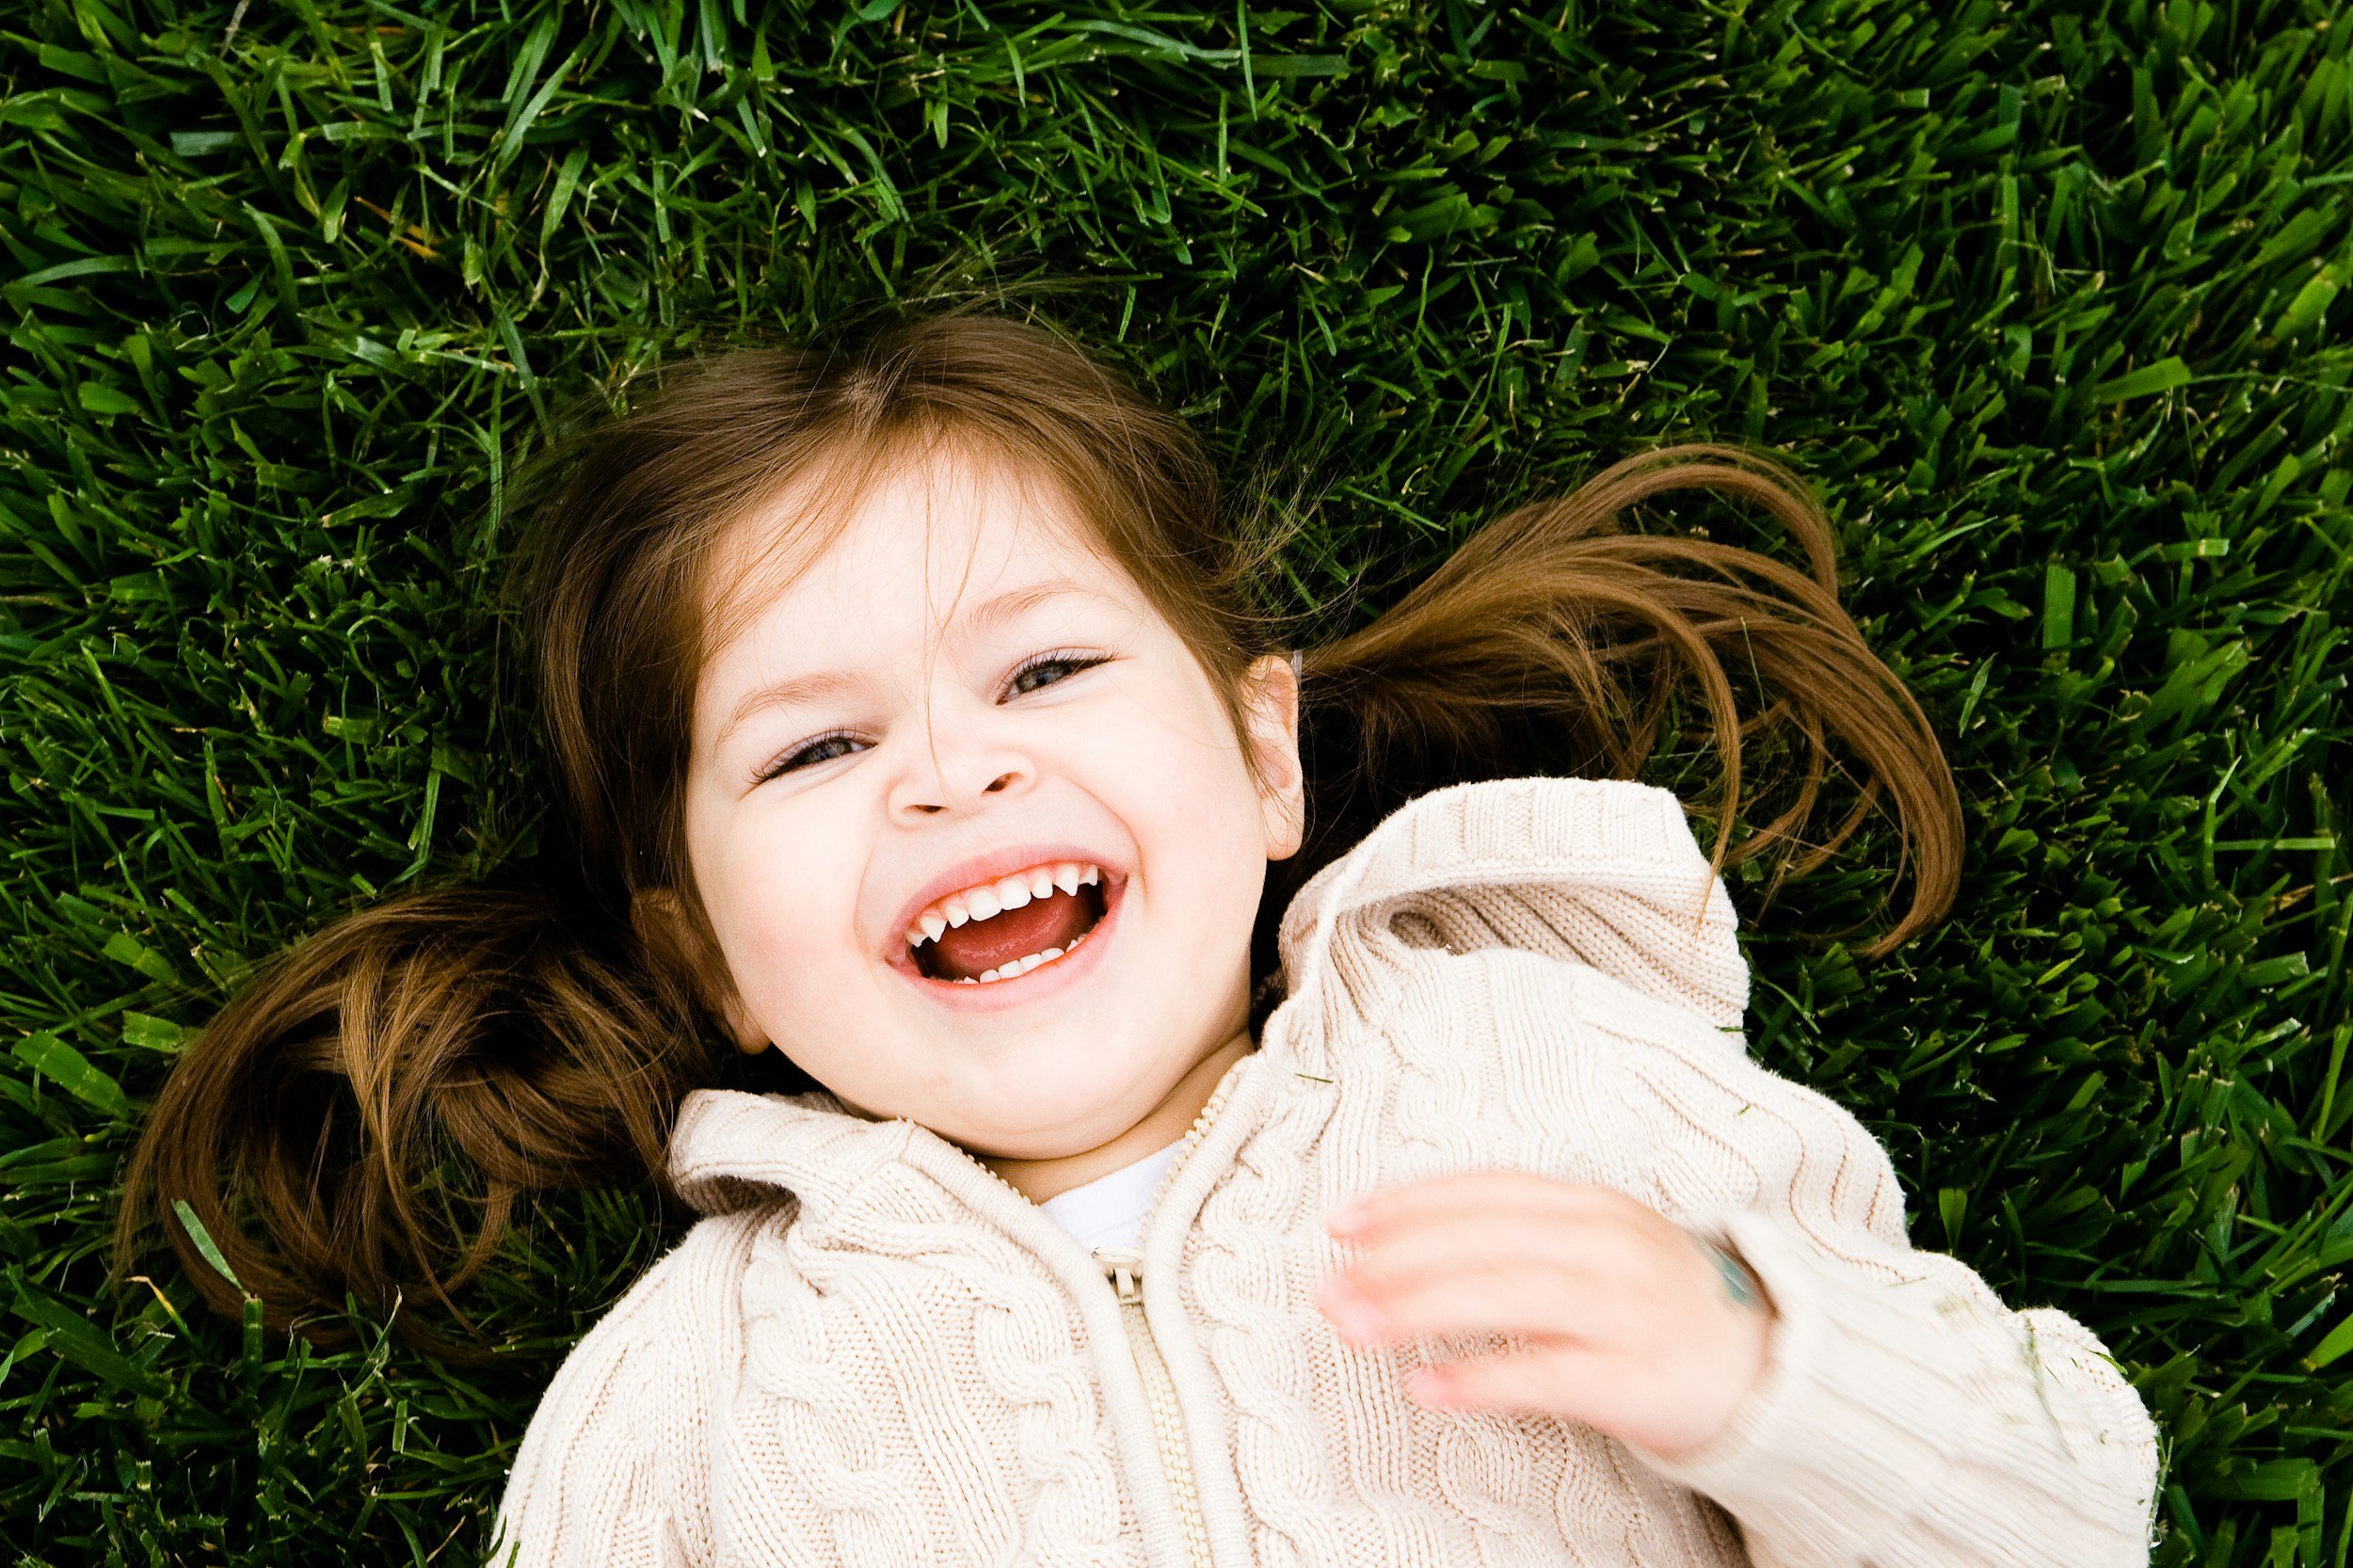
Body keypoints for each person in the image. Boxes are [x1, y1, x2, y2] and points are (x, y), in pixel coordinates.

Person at [121, 312, 2159, 1566]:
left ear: (1264, 758)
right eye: (816, 742)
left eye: (1047, 668)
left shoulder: (1542, 1074)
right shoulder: (689, 1396)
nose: (949, 776)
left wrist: (1753, 1362)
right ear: (708, 960)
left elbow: (2069, 1512)